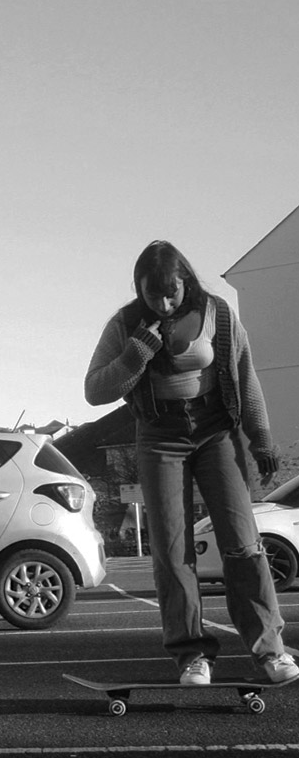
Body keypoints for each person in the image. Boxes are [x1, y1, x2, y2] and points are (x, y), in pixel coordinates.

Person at [85, 239, 296, 686]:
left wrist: (262, 442)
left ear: (186, 282)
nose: (161, 303)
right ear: (138, 290)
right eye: (150, 295)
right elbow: (96, 390)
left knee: (242, 542)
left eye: (170, 293)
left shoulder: (217, 313)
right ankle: (191, 655)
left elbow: (245, 374)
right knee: (172, 550)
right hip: (160, 438)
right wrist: (136, 352)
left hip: (217, 432)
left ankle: (270, 650)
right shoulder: (125, 325)